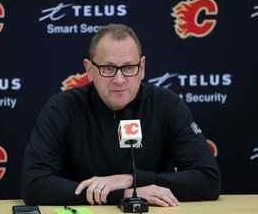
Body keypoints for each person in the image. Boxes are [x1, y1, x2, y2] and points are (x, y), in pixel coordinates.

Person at [21, 23, 220, 206]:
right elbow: (34, 184)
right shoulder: (62, 108)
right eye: (108, 68)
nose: (119, 79)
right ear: (89, 70)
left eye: (128, 68)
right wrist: (125, 194)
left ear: (142, 68)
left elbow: (208, 179)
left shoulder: (167, 105)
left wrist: (132, 179)